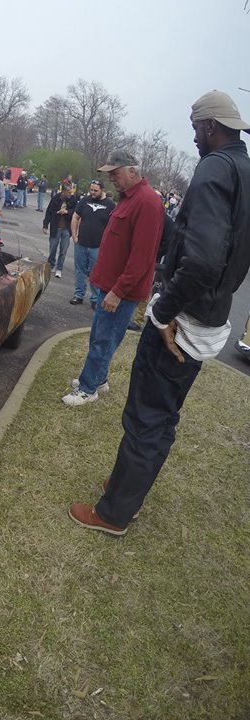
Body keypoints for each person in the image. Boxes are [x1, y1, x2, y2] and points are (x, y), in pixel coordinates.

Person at [69, 90, 250, 535]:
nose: (194, 139)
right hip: (210, 313)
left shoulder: (215, 167)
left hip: (183, 318)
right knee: (163, 415)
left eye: (195, 129)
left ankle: (114, 512)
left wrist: (163, 311)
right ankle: (128, 489)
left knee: (146, 417)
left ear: (210, 126)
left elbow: (203, 261)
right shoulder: (245, 169)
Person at [61, 150, 164, 408]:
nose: (111, 179)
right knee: (100, 335)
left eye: (115, 173)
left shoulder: (147, 202)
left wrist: (118, 291)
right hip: (110, 286)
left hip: (121, 291)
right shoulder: (129, 198)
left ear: (132, 171)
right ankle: (99, 379)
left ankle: (88, 389)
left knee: (103, 340)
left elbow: (142, 257)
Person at [69, 180, 114, 307]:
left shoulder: (110, 205)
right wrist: (74, 235)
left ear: (102, 190)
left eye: (95, 191)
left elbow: (113, 227)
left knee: (96, 273)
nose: (92, 193)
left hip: (97, 246)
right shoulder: (85, 200)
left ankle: (95, 299)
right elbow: (75, 217)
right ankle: (78, 295)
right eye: (91, 190)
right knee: (79, 270)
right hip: (81, 243)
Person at [42, 186, 77, 278]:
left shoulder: (73, 200)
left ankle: (59, 268)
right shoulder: (55, 199)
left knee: (63, 250)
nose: (70, 194)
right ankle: (51, 264)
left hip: (67, 228)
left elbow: (76, 211)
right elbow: (48, 212)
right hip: (56, 226)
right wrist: (45, 225)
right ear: (63, 191)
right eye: (68, 192)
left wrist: (67, 211)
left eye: (71, 192)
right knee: (53, 247)